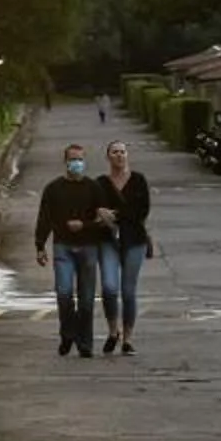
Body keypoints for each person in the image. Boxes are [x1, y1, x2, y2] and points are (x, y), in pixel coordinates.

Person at [32, 142, 111, 358]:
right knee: (64, 293)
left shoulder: (94, 188)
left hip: (88, 247)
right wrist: (40, 246)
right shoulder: (53, 189)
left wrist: (84, 225)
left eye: (80, 159)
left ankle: (85, 343)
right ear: (65, 162)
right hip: (63, 247)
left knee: (86, 300)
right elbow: (44, 218)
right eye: (72, 159)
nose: (76, 163)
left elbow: (104, 219)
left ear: (84, 162)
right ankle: (68, 333)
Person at [96, 137, 154, 356]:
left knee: (128, 291)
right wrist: (99, 214)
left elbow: (142, 210)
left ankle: (128, 339)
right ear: (108, 157)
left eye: (122, 152)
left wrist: (115, 215)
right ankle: (113, 331)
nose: (119, 155)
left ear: (127, 155)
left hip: (134, 241)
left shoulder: (138, 180)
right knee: (110, 288)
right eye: (114, 152)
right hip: (108, 240)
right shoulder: (100, 183)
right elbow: (94, 208)